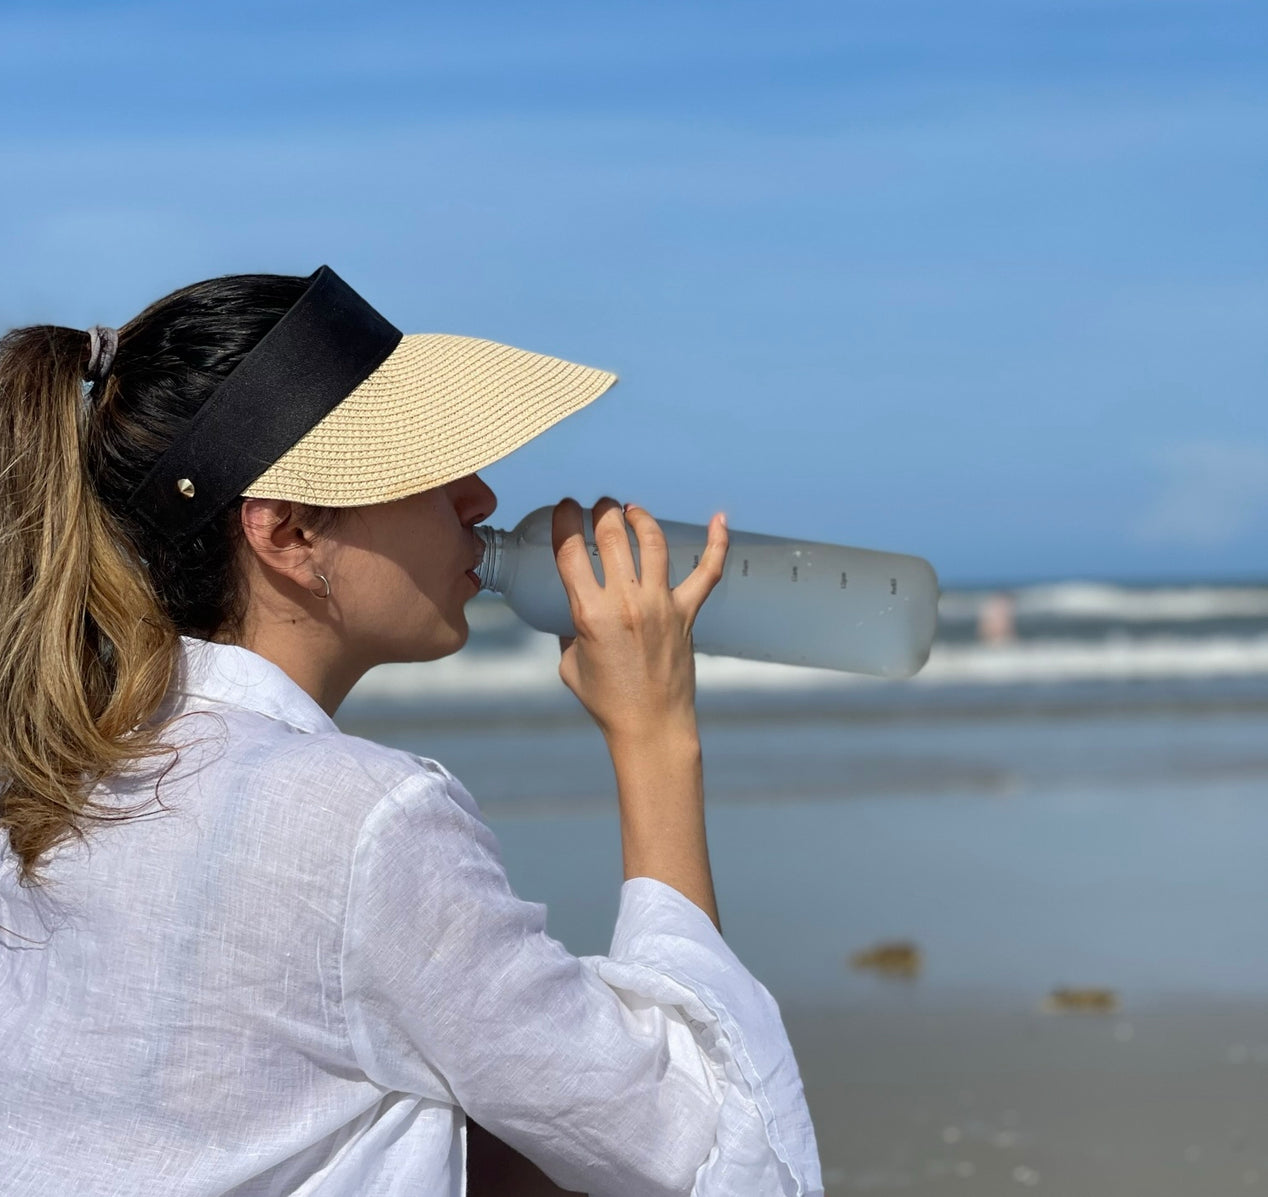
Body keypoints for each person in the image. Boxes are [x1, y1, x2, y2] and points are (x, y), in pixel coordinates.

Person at [0, 267, 822, 1196]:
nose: (478, 497)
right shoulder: (364, 824)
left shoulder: (62, 780)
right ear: (288, 532)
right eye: (426, 466)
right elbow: (710, 1149)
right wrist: (655, 732)